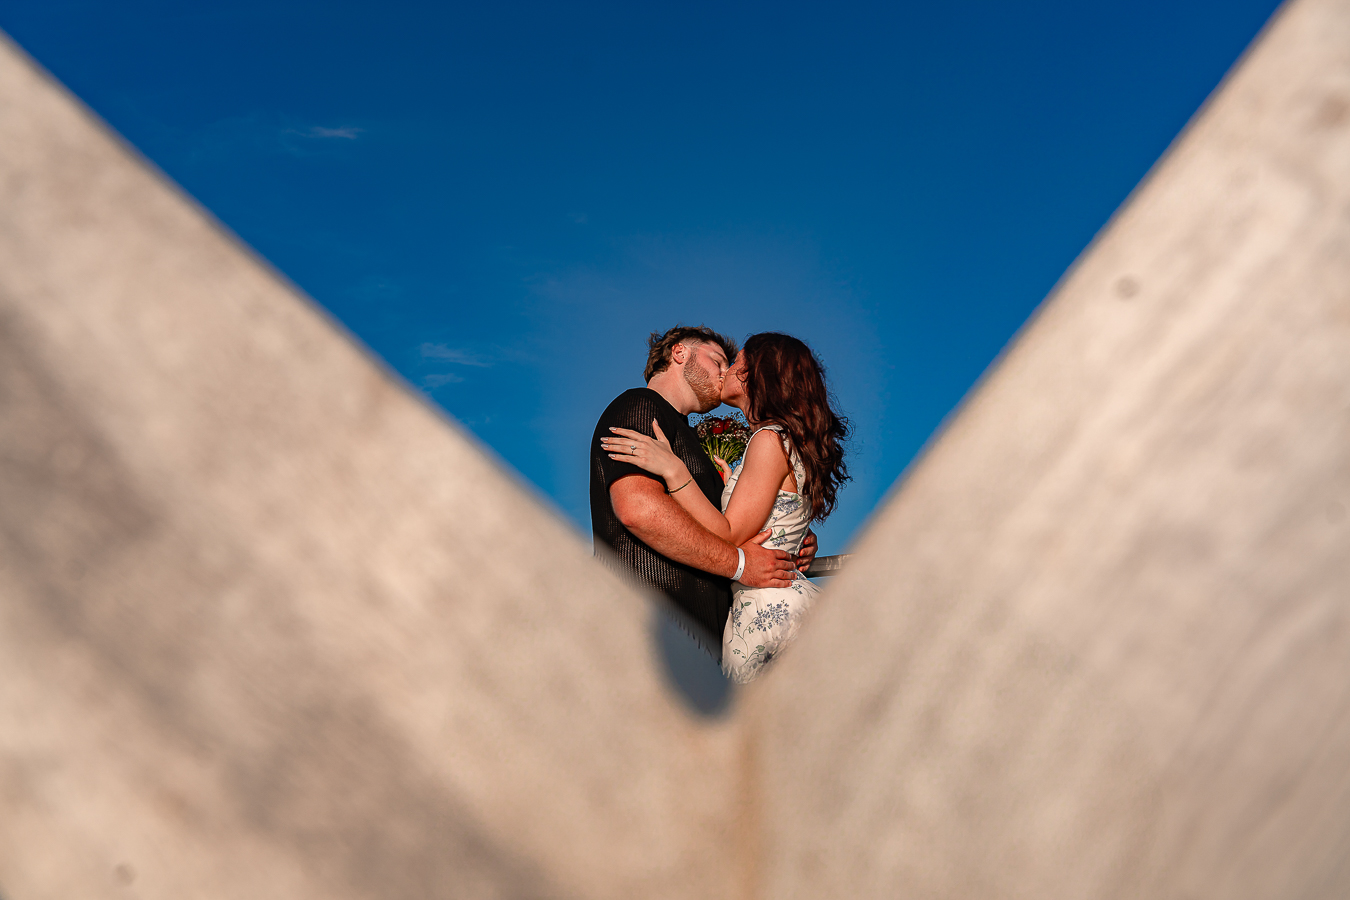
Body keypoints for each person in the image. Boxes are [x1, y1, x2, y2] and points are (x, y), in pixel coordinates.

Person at [602, 332, 848, 682]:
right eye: (719, 360)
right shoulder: (643, 407)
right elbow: (638, 508)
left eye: (733, 363)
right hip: (688, 623)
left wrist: (674, 470)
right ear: (679, 353)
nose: (725, 371)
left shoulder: (767, 439)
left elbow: (729, 530)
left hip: (761, 614)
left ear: (758, 374)